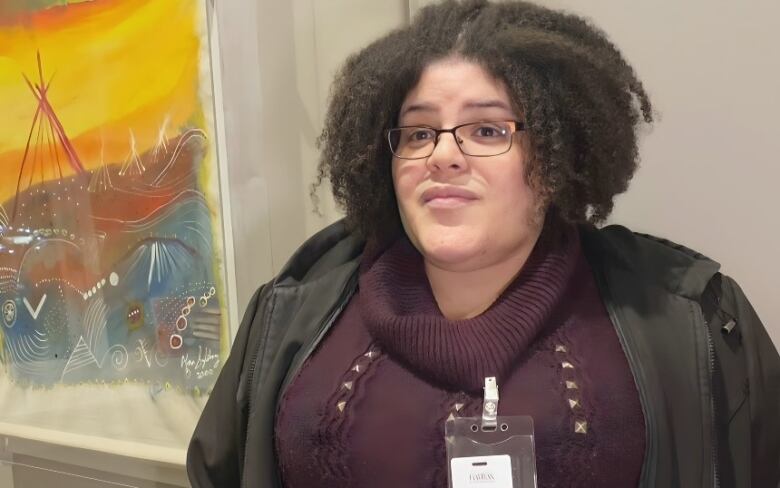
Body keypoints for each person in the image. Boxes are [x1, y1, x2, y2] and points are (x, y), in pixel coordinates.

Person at [187, 0, 780, 486]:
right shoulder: (287, 315)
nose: (443, 154)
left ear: (556, 154)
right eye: (419, 132)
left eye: (488, 129)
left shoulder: (694, 319)